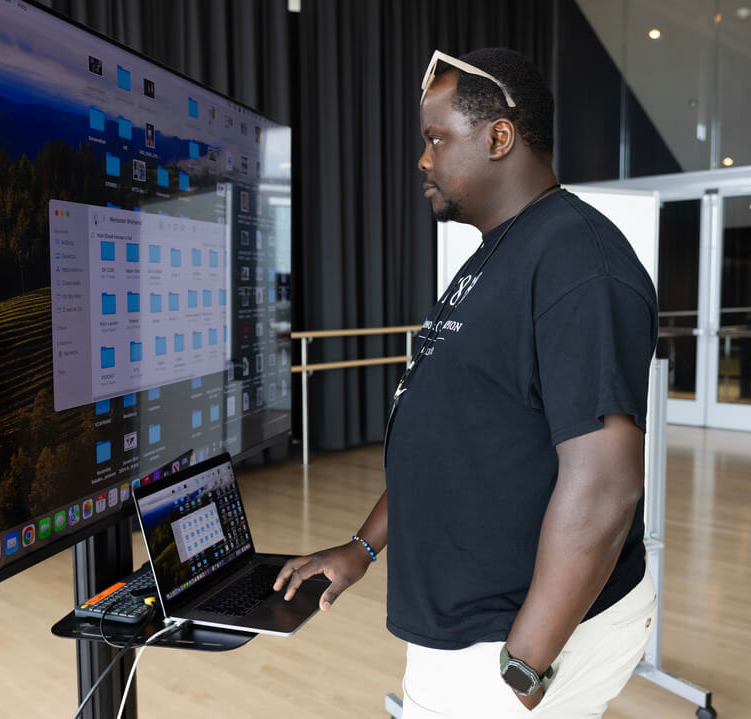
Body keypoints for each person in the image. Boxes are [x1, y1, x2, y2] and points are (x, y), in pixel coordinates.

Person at [274, 47, 660, 718]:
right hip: (467, 629)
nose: (423, 159)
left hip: (510, 641)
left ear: (499, 136)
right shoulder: (495, 256)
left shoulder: (577, 262)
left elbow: (605, 485)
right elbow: (455, 435)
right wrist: (364, 547)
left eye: (436, 139)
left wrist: (526, 661)